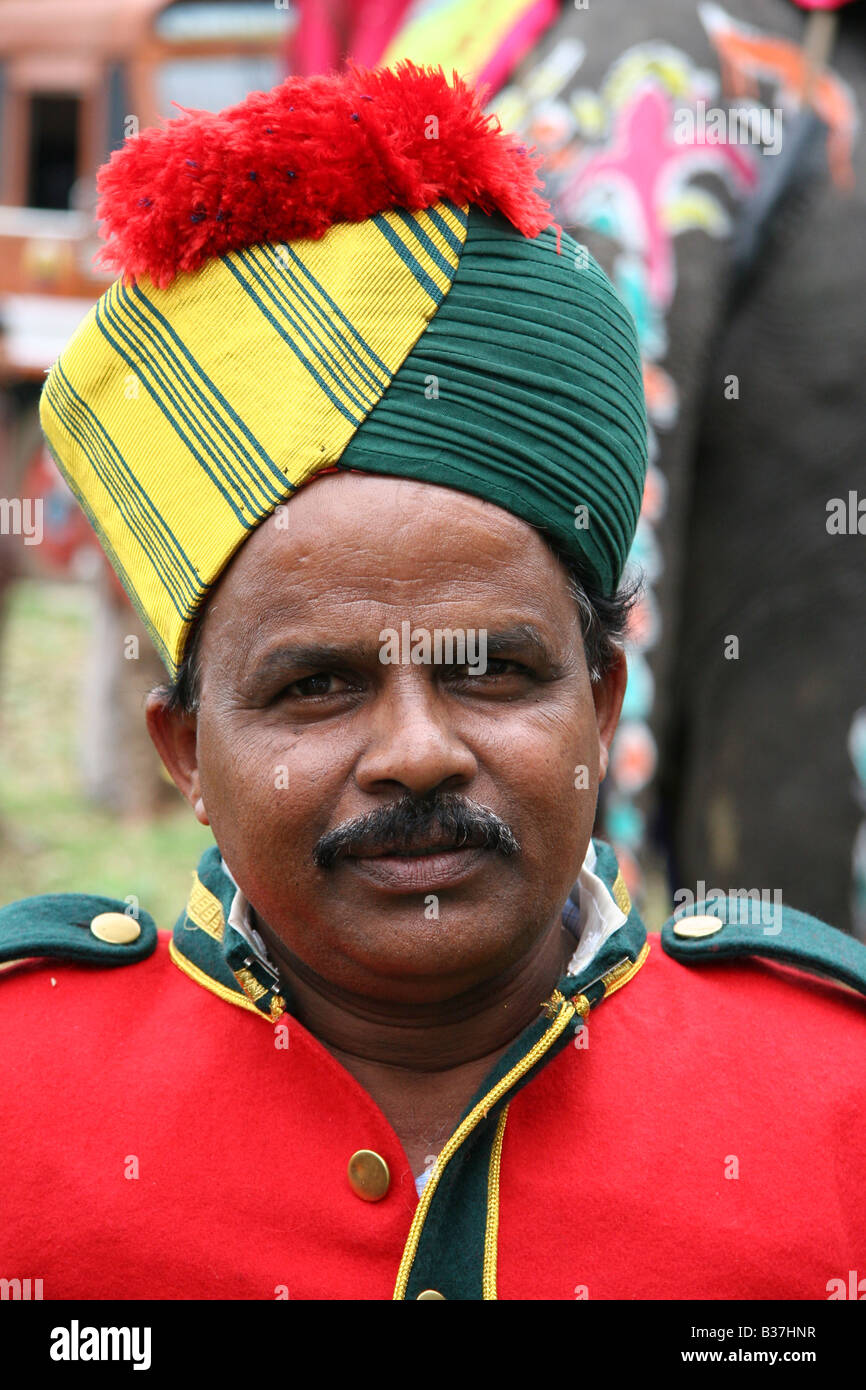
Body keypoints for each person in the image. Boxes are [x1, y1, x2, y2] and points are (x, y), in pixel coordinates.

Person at [1, 62, 864, 1302]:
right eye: (315, 686)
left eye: (495, 673)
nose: (415, 751)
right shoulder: (21, 1101)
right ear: (183, 751)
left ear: (602, 701)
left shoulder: (830, 1102)